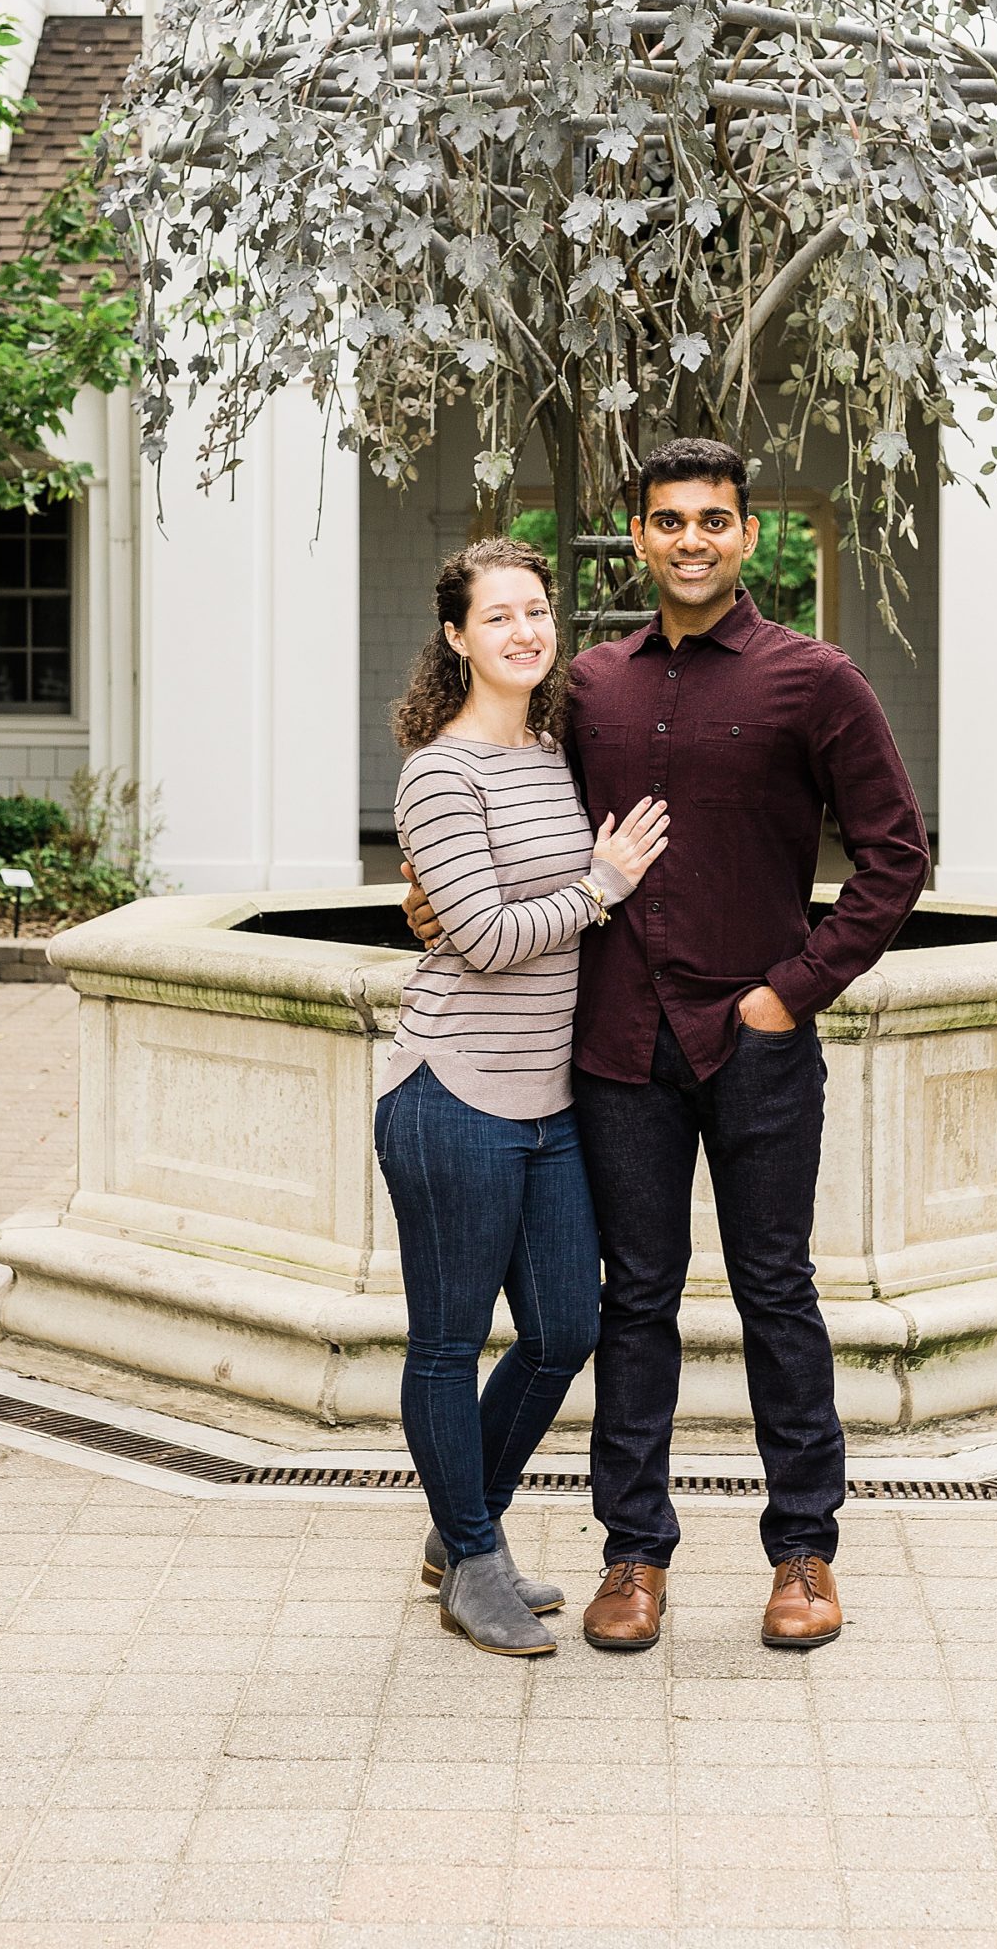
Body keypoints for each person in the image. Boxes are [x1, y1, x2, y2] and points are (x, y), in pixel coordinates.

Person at [406, 441, 930, 1652]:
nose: (691, 539)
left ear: (750, 536)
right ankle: (633, 1554)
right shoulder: (587, 687)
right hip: (617, 1050)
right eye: (668, 521)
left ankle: (804, 1551)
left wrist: (794, 990)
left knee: (776, 1295)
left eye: (714, 519)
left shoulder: (818, 682)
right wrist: (424, 898)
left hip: (756, 1044)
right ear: (637, 539)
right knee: (631, 1302)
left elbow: (897, 858)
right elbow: (505, 808)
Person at [380, 535, 669, 1659]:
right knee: (449, 1343)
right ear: (456, 638)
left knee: (563, 1327)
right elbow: (488, 938)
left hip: (548, 1103)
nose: (524, 631)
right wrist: (601, 889)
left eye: (537, 611)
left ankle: (461, 1532)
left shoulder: (554, 753)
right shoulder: (438, 771)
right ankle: (473, 1554)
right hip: (450, 1090)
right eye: (497, 615)